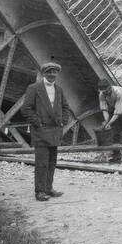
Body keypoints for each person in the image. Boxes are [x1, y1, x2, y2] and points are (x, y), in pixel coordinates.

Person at [19, 62, 73, 201]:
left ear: (57, 74)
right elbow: (26, 109)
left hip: (55, 131)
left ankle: (49, 188)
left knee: (51, 162)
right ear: (43, 73)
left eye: (55, 72)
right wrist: (38, 122)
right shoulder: (34, 88)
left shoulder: (59, 89)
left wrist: (63, 121)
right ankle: (39, 191)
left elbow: (66, 107)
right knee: (41, 163)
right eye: (49, 72)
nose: (52, 74)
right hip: (41, 131)